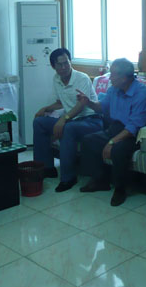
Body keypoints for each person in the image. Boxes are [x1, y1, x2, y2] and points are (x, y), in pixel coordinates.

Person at [78, 58, 146, 207]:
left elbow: (133, 127)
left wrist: (112, 142)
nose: (110, 77)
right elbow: (101, 108)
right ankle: (100, 180)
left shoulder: (141, 94)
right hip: (116, 128)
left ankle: (120, 189)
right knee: (89, 140)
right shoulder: (114, 89)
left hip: (138, 135)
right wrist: (88, 102)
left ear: (124, 78)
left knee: (118, 150)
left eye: (113, 74)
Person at [33, 48, 103, 192]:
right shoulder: (56, 79)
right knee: (39, 122)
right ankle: (47, 168)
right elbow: (60, 102)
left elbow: (81, 104)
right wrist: (46, 108)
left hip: (91, 120)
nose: (64, 67)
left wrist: (64, 119)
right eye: (60, 64)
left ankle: (68, 177)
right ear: (53, 66)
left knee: (67, 128)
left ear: (70, 62)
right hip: (72, 120)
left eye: (66, 63)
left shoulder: (81, 78)